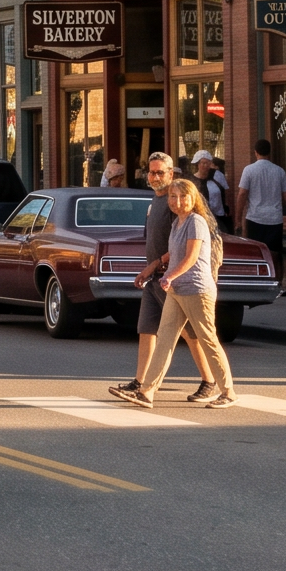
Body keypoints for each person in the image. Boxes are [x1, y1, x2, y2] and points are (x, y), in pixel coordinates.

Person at [114, 177, 235, 409]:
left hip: (197, 290)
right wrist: (152, 268)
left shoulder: (196, 222)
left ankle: (228, 392)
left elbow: (191, 256)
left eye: (182, 196)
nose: (177, 201)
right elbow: (173, 253)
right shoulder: (177, 223)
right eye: (172, 196)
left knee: (208, 340)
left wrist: (170, 275)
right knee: (165, 340)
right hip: (177, 290)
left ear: (193, 198)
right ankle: (147, 392)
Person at [110, 153, 206, 403]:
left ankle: (209, 381)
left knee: (189, 333)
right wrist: (148, 269)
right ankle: (139, 382)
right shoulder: (155, 200)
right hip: (154, 278)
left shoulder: (176, 203)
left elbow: (182, 244)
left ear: (171, 174)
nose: (154, 177)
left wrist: (157, 265)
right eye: (151, 172)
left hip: (170, 278)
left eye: (160, 172)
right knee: (146, 329)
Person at [235, 139, 286, 266]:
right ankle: (274, 277)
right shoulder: (279, 171)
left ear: (255, 152)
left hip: (255, 217)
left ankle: (259, 277)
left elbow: (242, 194)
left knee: (255, 251)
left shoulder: (248, 170)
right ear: (269, 153)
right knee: (274, 253)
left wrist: (238, 219)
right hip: (275, 218)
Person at [195, 151, 228, 226]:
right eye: (203, 163)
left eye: (208, 163)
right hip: (201, 217)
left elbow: (226, 192)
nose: (205, 165)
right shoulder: (192, 180)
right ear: (198, 164)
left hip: (219, 216)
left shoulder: (218, 176)